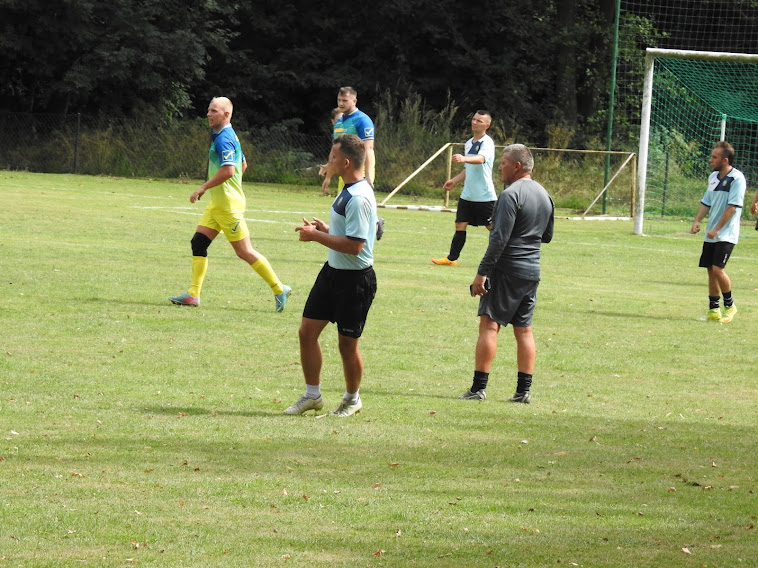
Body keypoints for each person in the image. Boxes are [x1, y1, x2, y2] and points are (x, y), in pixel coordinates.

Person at [284, 135, 378, 417]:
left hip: (356, 281)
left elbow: (355, 245)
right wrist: (325, 229)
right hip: (331, 274)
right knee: (306, 333)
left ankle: (352, 399)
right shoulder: (348, 188)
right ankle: (312, 396)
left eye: (333, 157)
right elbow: (346, 234)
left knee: (347, 345)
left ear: (346, 162)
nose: (329, 161)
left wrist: (316, 238)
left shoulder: (359, 197)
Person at [169, 97, 291, 311]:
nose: (208, 114)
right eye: (208, 110)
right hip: (219, 205)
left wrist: (204, 187)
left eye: (213, 111)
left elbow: (229, 170)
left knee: (244, 251)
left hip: (227, 206)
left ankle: (279, 288)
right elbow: (243, 163)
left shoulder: (224, 138)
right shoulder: (226, 135)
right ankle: (193, 294)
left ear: (226, 114)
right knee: (198, 243)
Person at [460, 144, 554, 403]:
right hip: (532, 269)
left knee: (489, 325)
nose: (499, 167)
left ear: (517, 166)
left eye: (502, 163)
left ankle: (479, 388)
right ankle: (523, 392)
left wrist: (481, 273)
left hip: (506, 268)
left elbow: (499, 239)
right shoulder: (545, 195)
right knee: (524, 330)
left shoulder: (510, 194)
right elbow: (546, 236)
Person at [690, 141, 747, 324]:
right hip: (711, 234)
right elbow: (706, 202)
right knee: (710, 271)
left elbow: (732, 207)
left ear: (724, 160)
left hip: (726, 233)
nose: (710, 160)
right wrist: (697, 220)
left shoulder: (737, 178)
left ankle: (730, 306)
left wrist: (717, 229)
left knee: (718, 269)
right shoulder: (713, 177)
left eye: (714, 157)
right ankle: (713, 310)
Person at [432, 111, 497, 266]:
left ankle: (507, 257)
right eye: (473, 119)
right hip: (468, 195)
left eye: (479, 121)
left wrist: (464, 158)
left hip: (484, 196)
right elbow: (468, 169)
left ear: (487, 125)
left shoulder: (487, 143)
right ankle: (451, 259)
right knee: (460, 225)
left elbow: (480, 159)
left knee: (493, 229)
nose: (474, 122)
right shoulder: (469, 143)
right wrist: (454, 181)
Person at [323, 87, 375, 192]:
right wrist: (328, 177)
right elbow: (334, 150)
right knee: (342, 205)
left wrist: (368, 175)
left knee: (357, 203)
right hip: (344, 169)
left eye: (345, 101)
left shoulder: (362, 120)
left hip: (360, 170)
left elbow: (368, 148)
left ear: (354, 101)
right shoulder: (338, 122)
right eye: (339, 100)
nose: (341, 103)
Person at [319, 107, 343, 194]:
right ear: (333, 122)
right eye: (338, 120)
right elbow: (335, 155)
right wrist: (328, 167)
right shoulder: (336, 137)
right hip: (345, 173)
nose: (341, 123)